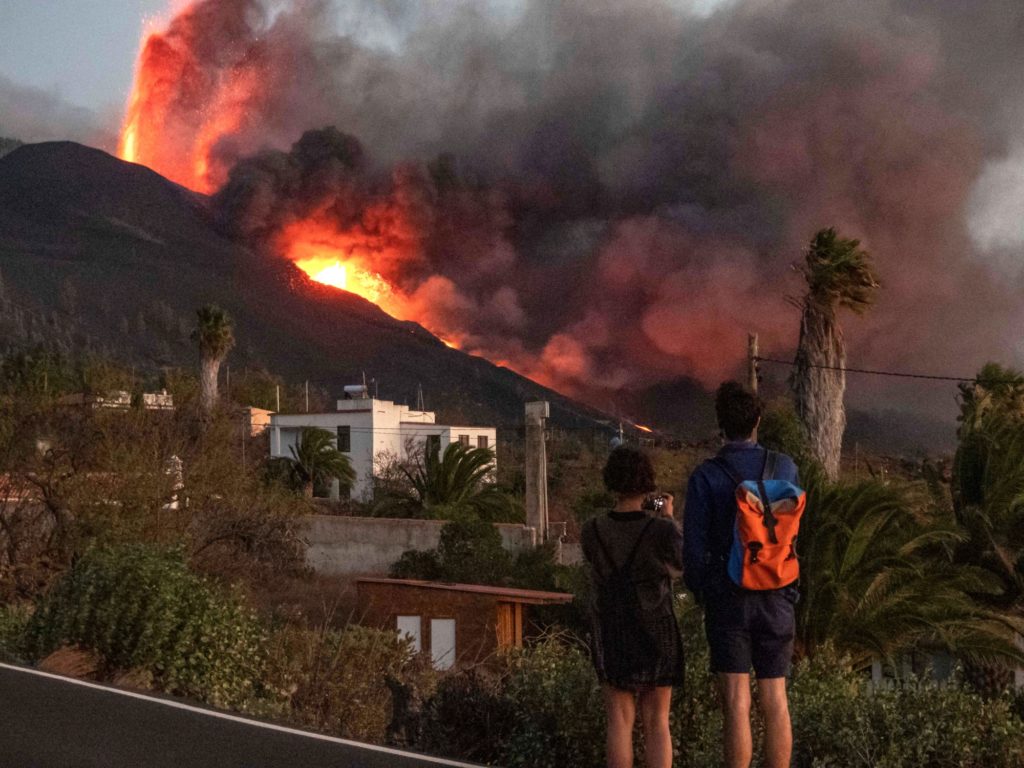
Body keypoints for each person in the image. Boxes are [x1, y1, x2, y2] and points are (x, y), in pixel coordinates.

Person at [683, 381, 800, 768]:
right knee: (775, 698)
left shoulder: (705, 476)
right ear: (758, 421)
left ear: (720, 425)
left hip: (729, 597)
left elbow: (693, 552)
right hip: (778, 594)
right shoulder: (785, 467)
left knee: (736, 701)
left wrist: (706, 592)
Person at [582, 447, 684, 768]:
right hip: (657, 631)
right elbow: (683, 564)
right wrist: (667, 516)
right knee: (657, 722)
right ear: (647, 484)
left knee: (619, 722)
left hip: (613, 631)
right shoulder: (661, 529)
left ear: (612, 481)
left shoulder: (593, 530)